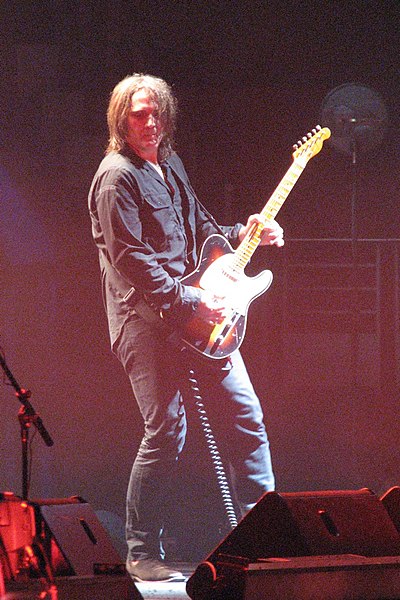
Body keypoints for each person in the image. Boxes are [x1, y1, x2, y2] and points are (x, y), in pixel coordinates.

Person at [88, 73, 284, 583]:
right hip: (143, 321)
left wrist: (245, 235)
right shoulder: (116, 177)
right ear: (120, 120)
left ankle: (267, 538)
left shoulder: (169, 164)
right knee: (167, 430)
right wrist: (193, 301)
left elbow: (202, 229)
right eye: (138, 115)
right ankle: (140, 549)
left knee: (246, 416)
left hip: (198, 314)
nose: (149, 123)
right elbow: (133, 260)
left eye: (156, 113)